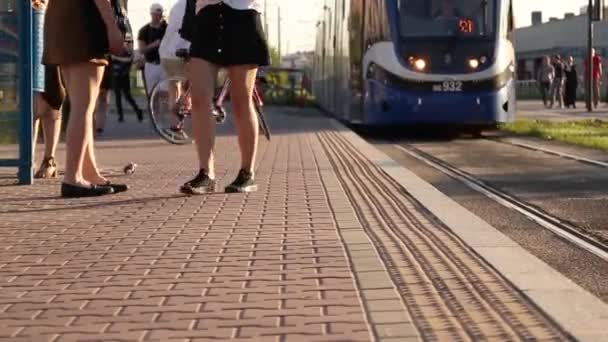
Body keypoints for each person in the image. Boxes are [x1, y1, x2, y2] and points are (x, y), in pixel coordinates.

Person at [178, 0, 270, 194]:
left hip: (243, 17)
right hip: (206, 18)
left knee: (241, 101)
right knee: (199, 99)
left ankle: (247, 172)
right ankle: (206, 173)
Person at [43, 0, 128, 198]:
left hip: (60, 18)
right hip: (84, 22)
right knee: (84, 107)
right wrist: (112, 26)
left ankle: (88, 172)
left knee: (81, 107)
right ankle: (73, 177)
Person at [31, 0, 66, 179]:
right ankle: (28, 161)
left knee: (52, 98)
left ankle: (49, 159)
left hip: (49, 29)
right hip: (25, 30)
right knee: (32, 103)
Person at [158, 0, 190, 139]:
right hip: (181, 51)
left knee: (174, 90)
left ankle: (174, 127)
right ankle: (181, 119)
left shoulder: (177, 5)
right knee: (193, 88)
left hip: (166, 52)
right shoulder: (196, 4)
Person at [138, 4, 168, 95]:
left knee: (165, 93)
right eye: (156, 14)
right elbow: (141, 50)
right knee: (152, 94)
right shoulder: (144, 30)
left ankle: (163, 110)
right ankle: (152, 109)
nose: (159, 16)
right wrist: (154, 45)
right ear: (151, 14)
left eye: (160, 14)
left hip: (164, 64)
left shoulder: (167, 28)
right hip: (151, 65)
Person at [112, 40, 144, 122]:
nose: (127, 45)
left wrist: (115, 58)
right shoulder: (115, 51)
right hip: (116, 76)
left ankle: (138, 111)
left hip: (124, 77)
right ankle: (120, 116)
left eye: (129, 43)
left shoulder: (129, 53)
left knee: (128, 97)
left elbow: (128, 60)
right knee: (117, 97)